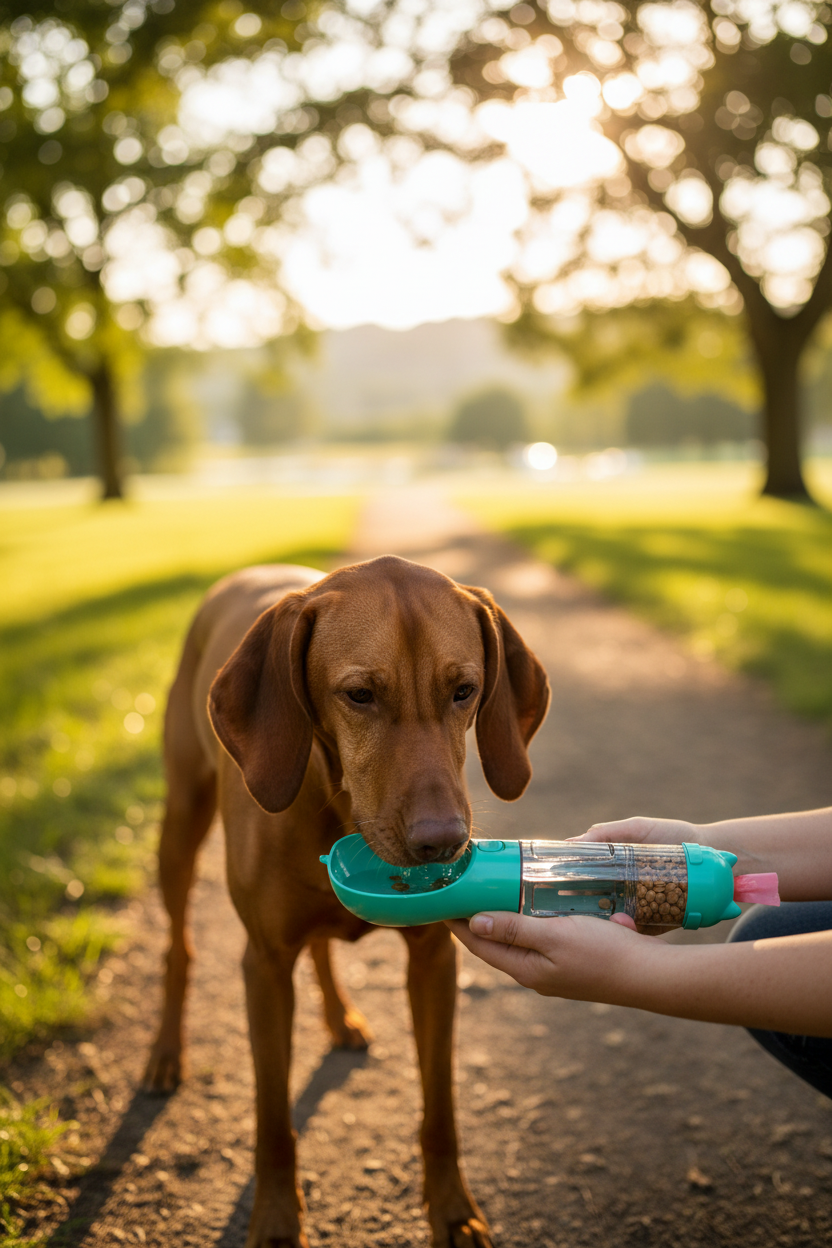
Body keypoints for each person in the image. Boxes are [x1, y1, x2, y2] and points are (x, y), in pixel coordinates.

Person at [448, 808, 832, 1098]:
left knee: (773, 930)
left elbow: (639, 968)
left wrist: (642, 970)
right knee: (774, 930)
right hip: (693, 868)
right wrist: (703, 842)